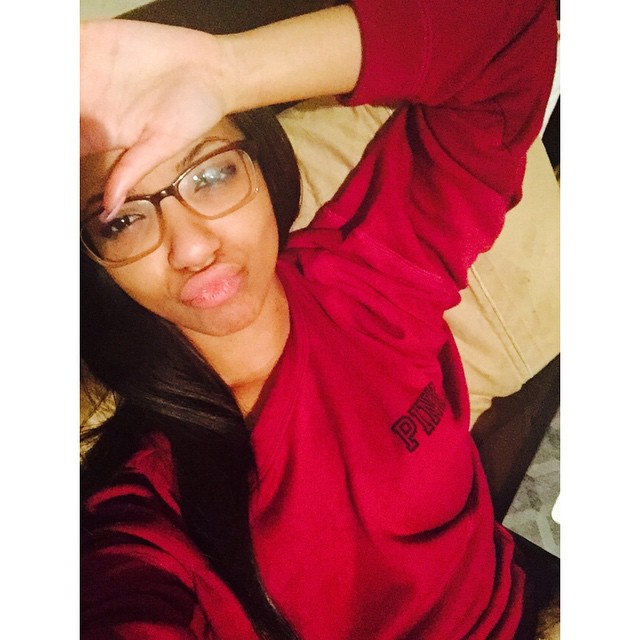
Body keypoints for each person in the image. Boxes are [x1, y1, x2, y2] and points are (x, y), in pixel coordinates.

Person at [80, 0, 558, 638]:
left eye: (212, 173)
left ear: (261, 164)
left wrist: (229, 69)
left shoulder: (372, 270)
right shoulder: (149, 511)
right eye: (122, 219)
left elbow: (514, 35)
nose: (192, 247)